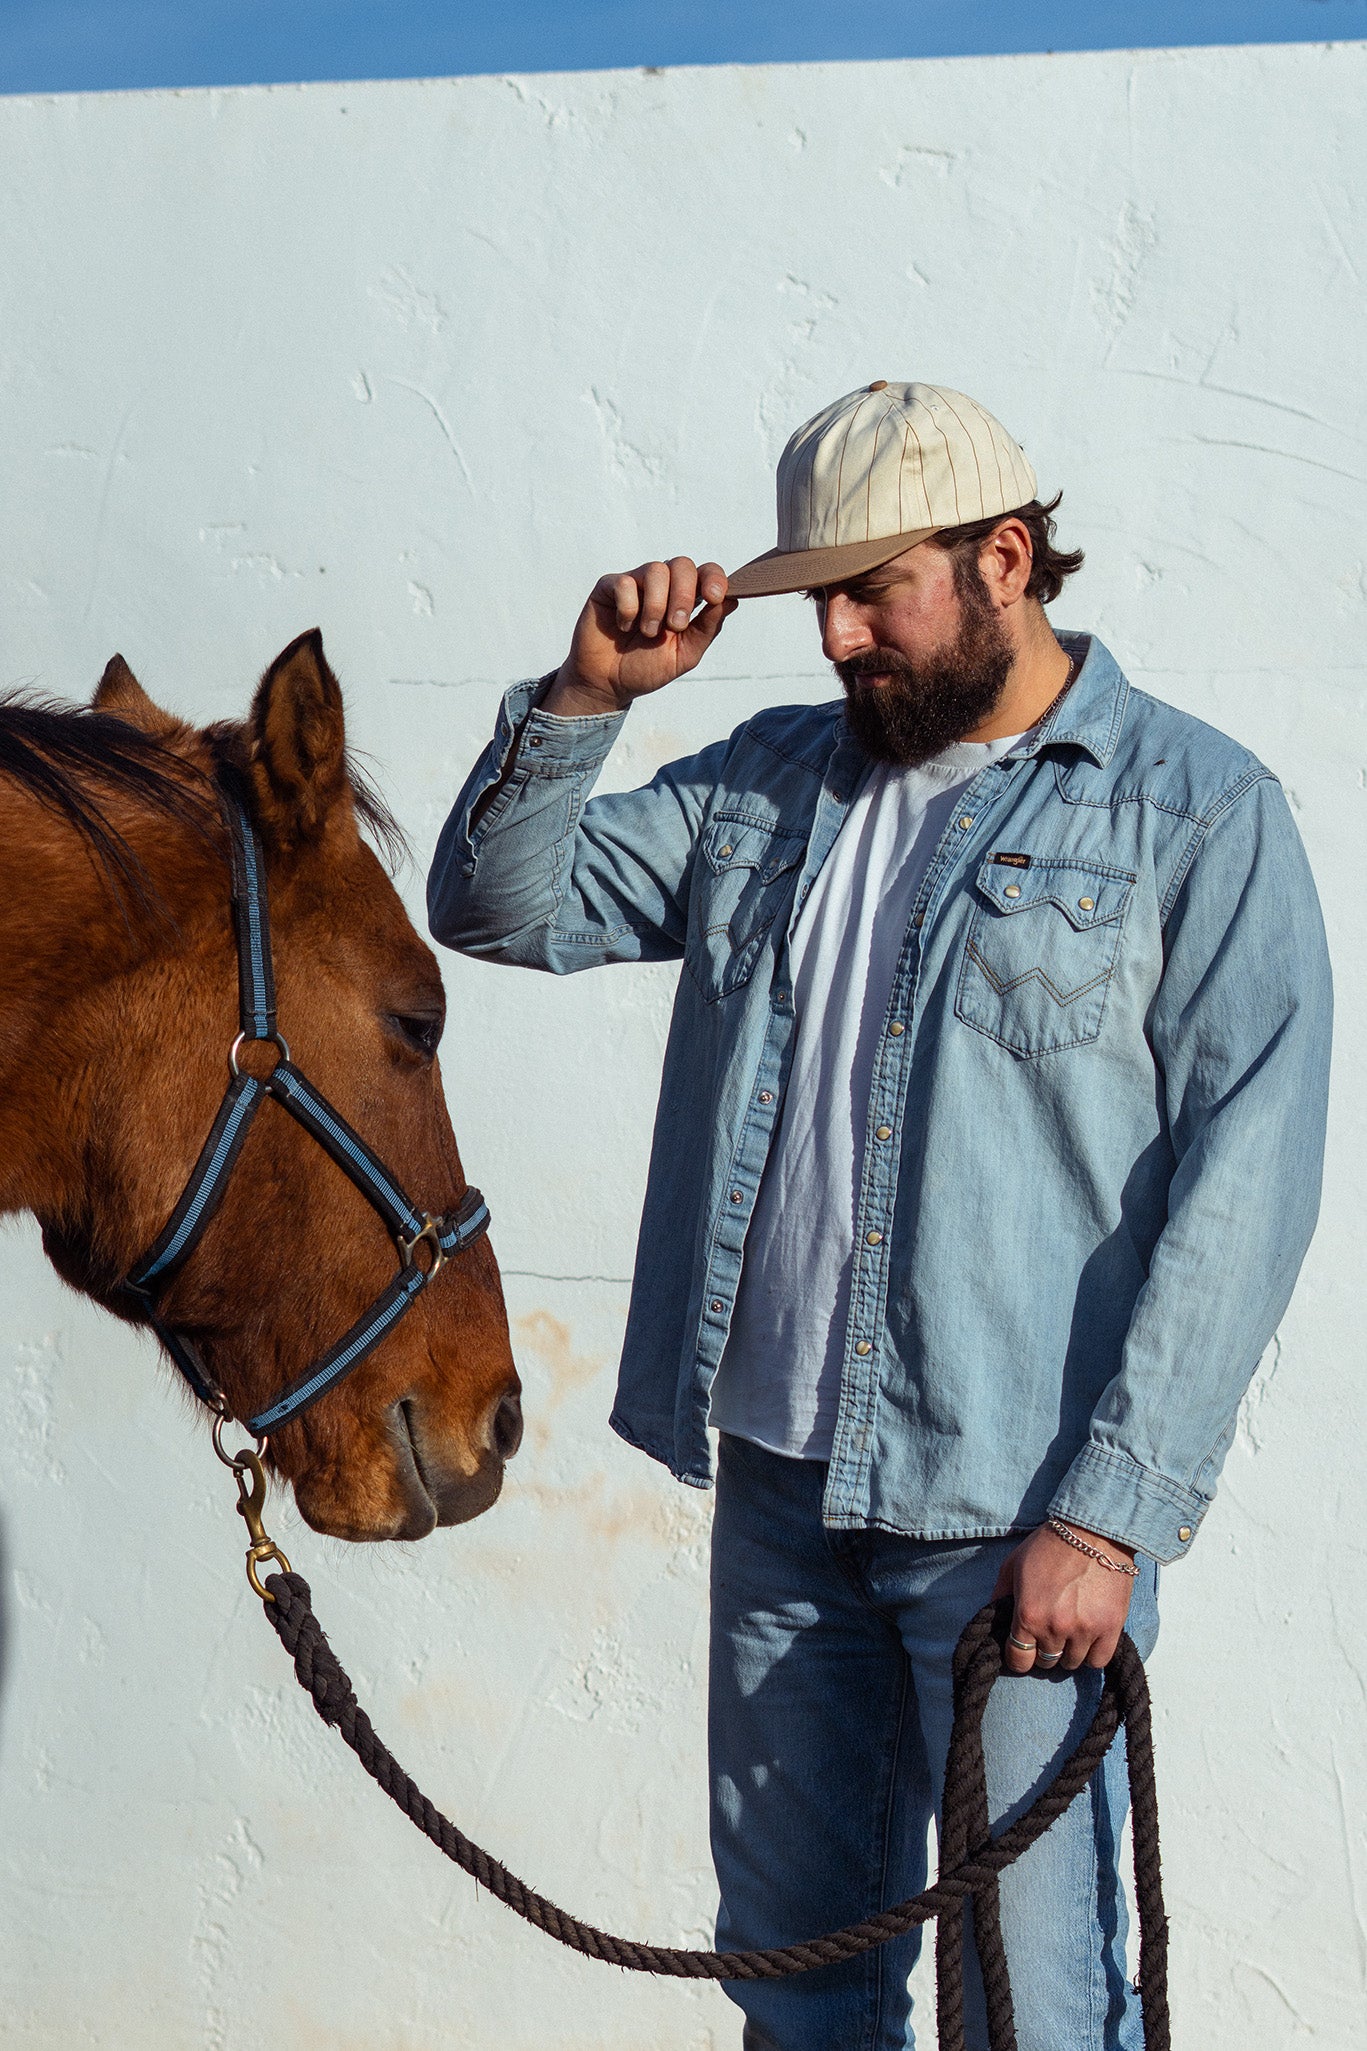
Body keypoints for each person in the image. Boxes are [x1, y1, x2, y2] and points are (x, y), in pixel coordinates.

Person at [427, 381, 1332, 2050]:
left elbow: (1252, 1175)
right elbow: (502, 906)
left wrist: (1112, 1514)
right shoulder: (768, 784)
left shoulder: (1190, 810)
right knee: (806, 2003)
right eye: (816, 600)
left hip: (1014, 1521)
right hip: (781, 1503)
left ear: (1006, 559)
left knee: (1038, 2016)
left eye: (873, 590)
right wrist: (586, 696)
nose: (836, 636)